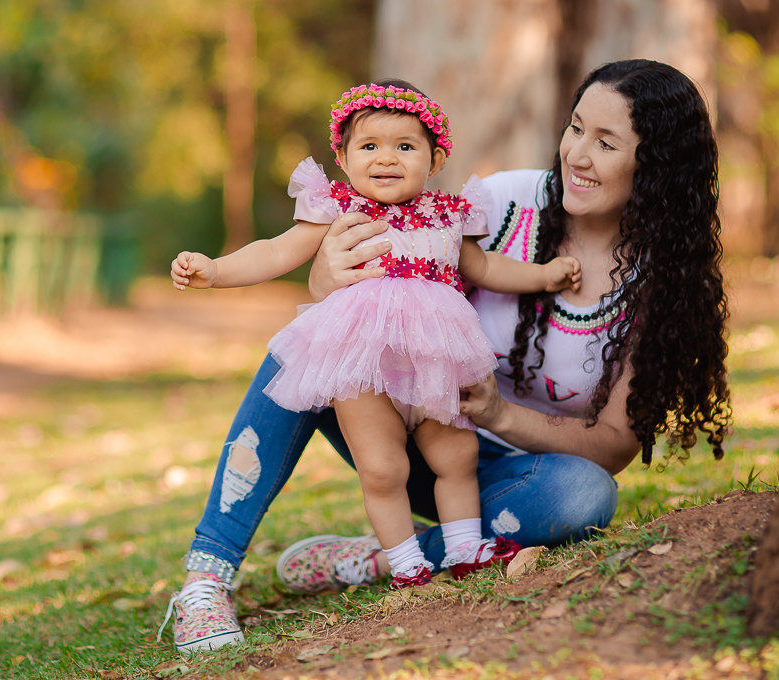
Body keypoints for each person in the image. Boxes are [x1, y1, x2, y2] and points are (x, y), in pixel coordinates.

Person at [157, 60, 730, 654]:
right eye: (576, 127)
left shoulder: (660, 287)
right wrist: (326, 282)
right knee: (298, 352)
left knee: (585, 497)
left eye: (606, 142)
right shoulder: (507, 201)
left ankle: (387, 558)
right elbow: (335, 276)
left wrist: (499, 415)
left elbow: (614, 447)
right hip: (391, 413)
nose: (577, 155)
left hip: (505, 475)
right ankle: (208, 574)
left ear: (656, 165)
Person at [164, 81, 582, 649]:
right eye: (370, 147)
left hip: (436, 361)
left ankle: (464, 548)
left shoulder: (447, 213)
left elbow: (486, 268)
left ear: (435, 159)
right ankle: (404, 560)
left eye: (405, 147)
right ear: (342, 157)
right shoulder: (337, 209)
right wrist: (214, 270)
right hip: (364, 367)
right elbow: (276, 251)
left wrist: (545, 276)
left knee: (453, 455)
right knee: (383, 467)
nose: (386, 158)